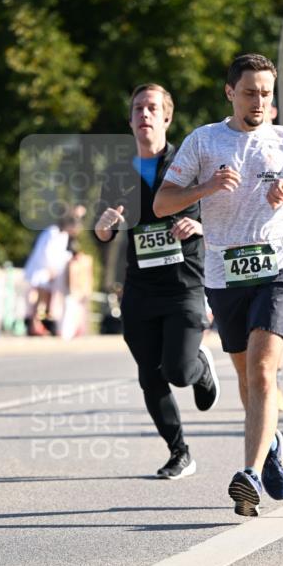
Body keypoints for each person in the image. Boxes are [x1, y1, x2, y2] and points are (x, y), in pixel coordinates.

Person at [154, 53, 283, 516]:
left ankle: (250, 475)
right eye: (249, 92)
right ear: (229, 92)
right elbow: (163, 203)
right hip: (225, 274)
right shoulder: (203, 142)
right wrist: (205, 189)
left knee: (263, 371)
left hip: (279, 267)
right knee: (246, 379)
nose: (258, 101)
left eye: (265, 93)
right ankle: (272, 442)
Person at [95, 83, 220, 479]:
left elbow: (220, 215)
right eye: (137, 109)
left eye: (152, 108)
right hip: (141, 288)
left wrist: (197, 224)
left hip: (184, 283)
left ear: (167, 117)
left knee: (177, 371)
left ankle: (200, 368)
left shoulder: (189, 164)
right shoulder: (118, 172)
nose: (144, 115)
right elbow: (104, 230)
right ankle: (178, 451)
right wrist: (103, 227)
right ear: (130, 120)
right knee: (150, 374)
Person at [23, 205, 85, 335]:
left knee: (44, 300)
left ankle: (37, 324)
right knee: (39, 299)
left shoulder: (63, 236)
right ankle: (34, 324)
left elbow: (60, 254)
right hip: (42, 270)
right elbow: (45, 252)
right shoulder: (52, 232)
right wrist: (51, 269)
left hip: (49, 271)